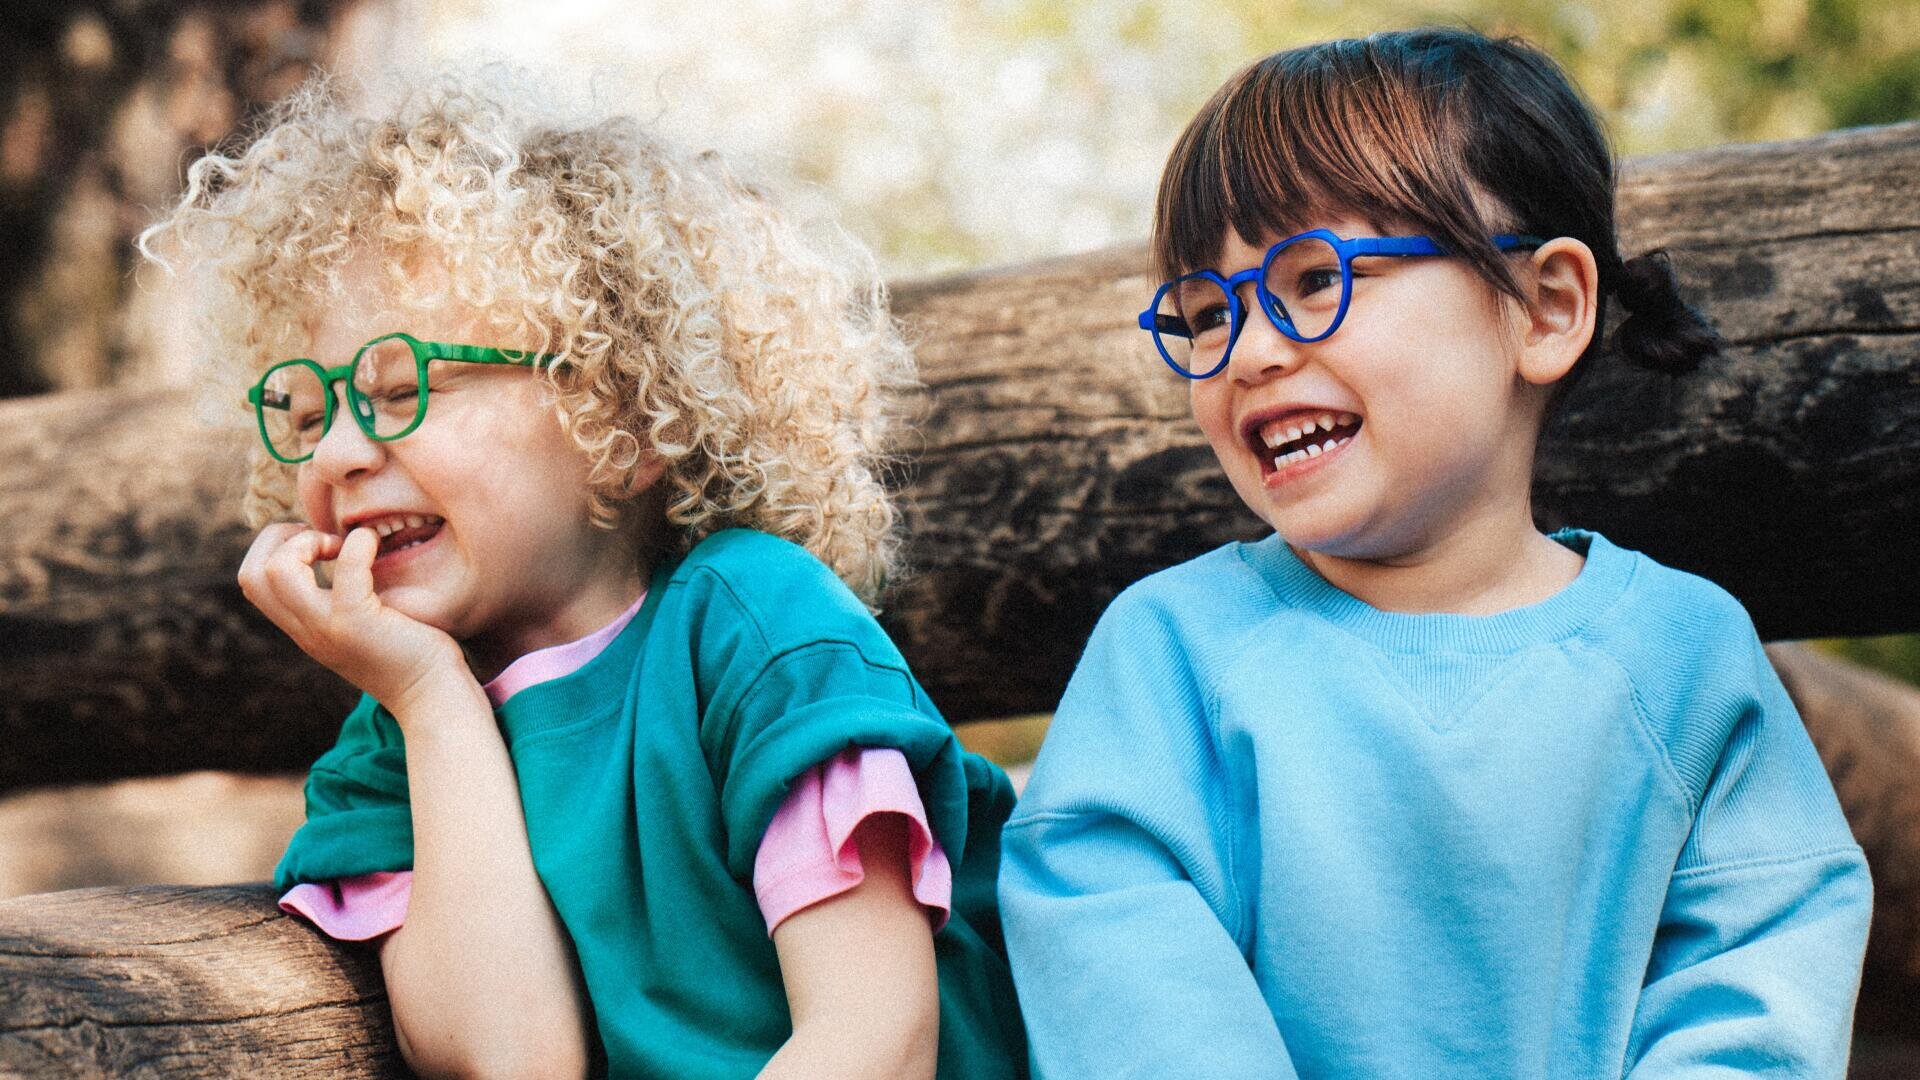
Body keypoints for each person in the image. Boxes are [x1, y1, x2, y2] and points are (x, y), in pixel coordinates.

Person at [998, 28, 1870, 1079]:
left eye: (1314, 280)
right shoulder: (1167, 658)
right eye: (1204, 312)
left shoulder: (1685, 663)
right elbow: (1119, 976)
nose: (1253, 350)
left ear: (1546, 310)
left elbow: (1759, 998)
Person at [140, 74, 1025, 1080]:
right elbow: (516, 1056)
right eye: (306, 410)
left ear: (625, 418)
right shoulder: (391, 748)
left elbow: (877, 1037)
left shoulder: (756, 628)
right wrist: (434, 704)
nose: (336, 451)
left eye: (401, 388)